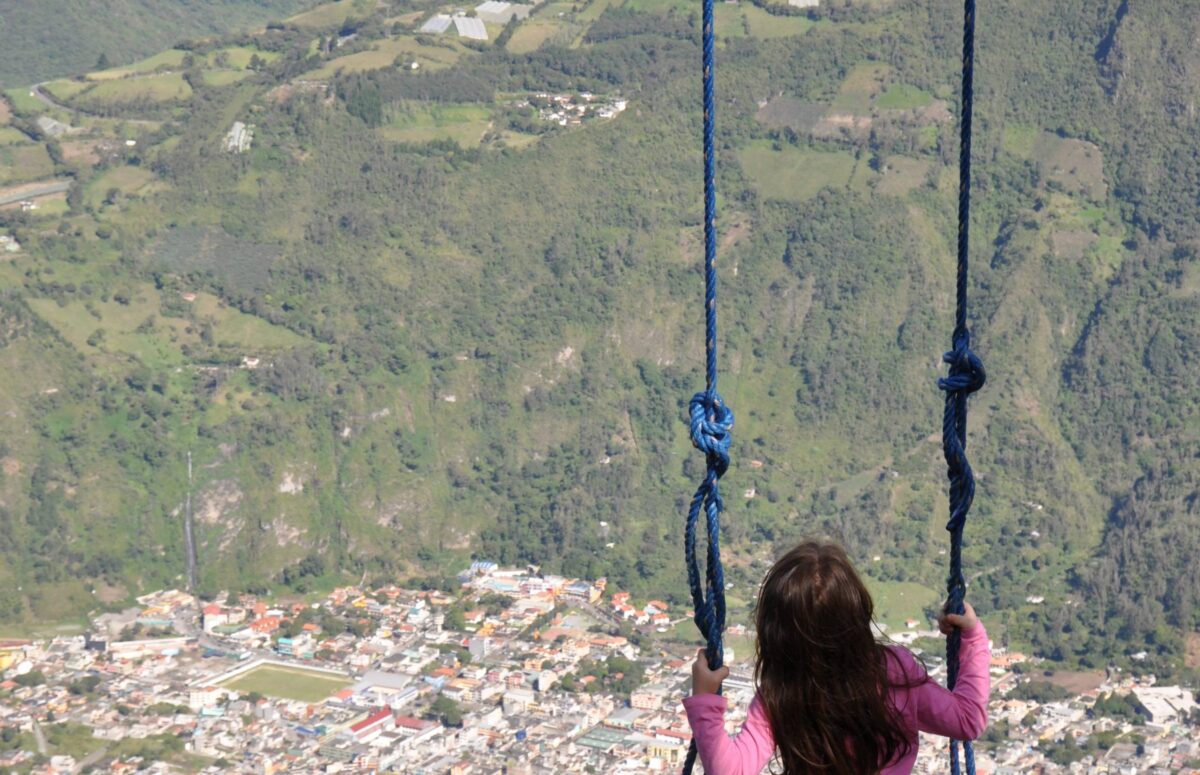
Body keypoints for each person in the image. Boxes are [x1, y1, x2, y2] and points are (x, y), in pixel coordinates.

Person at [683, 540, 990, 774]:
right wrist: (972, 636)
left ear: (775, 633)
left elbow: (728, 770)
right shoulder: (893, 673)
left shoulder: (780, 694)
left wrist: (705, 700)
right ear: (858, 611)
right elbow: (968, 719)